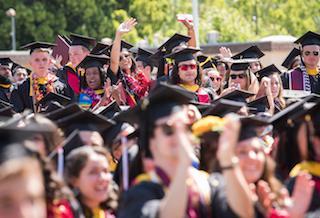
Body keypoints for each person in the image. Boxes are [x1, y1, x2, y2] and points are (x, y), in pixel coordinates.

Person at [117, 84, 254, 218]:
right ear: (151, 142)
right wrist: (183, 166)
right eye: (169, 129)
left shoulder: (206, 183)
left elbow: (245, 213)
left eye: (185, 128)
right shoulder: (140, 193)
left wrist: (228, 160)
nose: (179, 135)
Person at [10, 42, 73, 113]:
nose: (41, 63)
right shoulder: (20, 88)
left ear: (50, 62)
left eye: (44, 59)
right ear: (30, 63)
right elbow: (17, 114)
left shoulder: (61, 85)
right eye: (37, 60)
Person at [64, 146, 119, 218]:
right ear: (74, 180)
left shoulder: (118, 213)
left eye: (105, 171)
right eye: (93, 172)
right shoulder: (60, 213)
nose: (102, 178)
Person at [109, 18, 149, 106]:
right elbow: (114, 62)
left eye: (127, 56)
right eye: (120, 58)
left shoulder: (139, 78)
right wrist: (118, 35)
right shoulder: (118, 77)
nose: (124, 59)